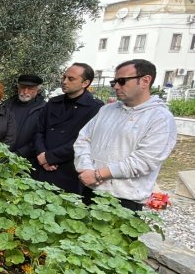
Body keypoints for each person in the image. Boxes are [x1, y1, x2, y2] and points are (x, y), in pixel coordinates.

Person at [75, 59, 177, 211]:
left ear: (145, 81)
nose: (116, 86)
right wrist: (85, 167)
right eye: (114, 82)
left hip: (123, 201)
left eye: (122, 81)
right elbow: (83, 139)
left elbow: (144, 161)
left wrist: (98, 174)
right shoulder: (107, 110)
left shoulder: (160, 118)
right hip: (90, 190)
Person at [32, 63, 103, 194]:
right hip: (42, 167)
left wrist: (50, 157)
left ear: (85, 83)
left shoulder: (95, 108)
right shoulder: (53, 102)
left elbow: (85, 141)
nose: (64, 81)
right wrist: (42, 155)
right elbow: (39, 131)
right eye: (64, 77)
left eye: (71, 79)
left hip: (67, 170)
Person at [4, 74, 45, 162]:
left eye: (30, 89)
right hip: (3, 157)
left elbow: (42, 136)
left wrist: (20, 153)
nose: (25, 91)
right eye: (22, 87)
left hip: (28, 161)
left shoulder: (44, 109)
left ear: (38, 90)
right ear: (18, 88)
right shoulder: (6, 105)